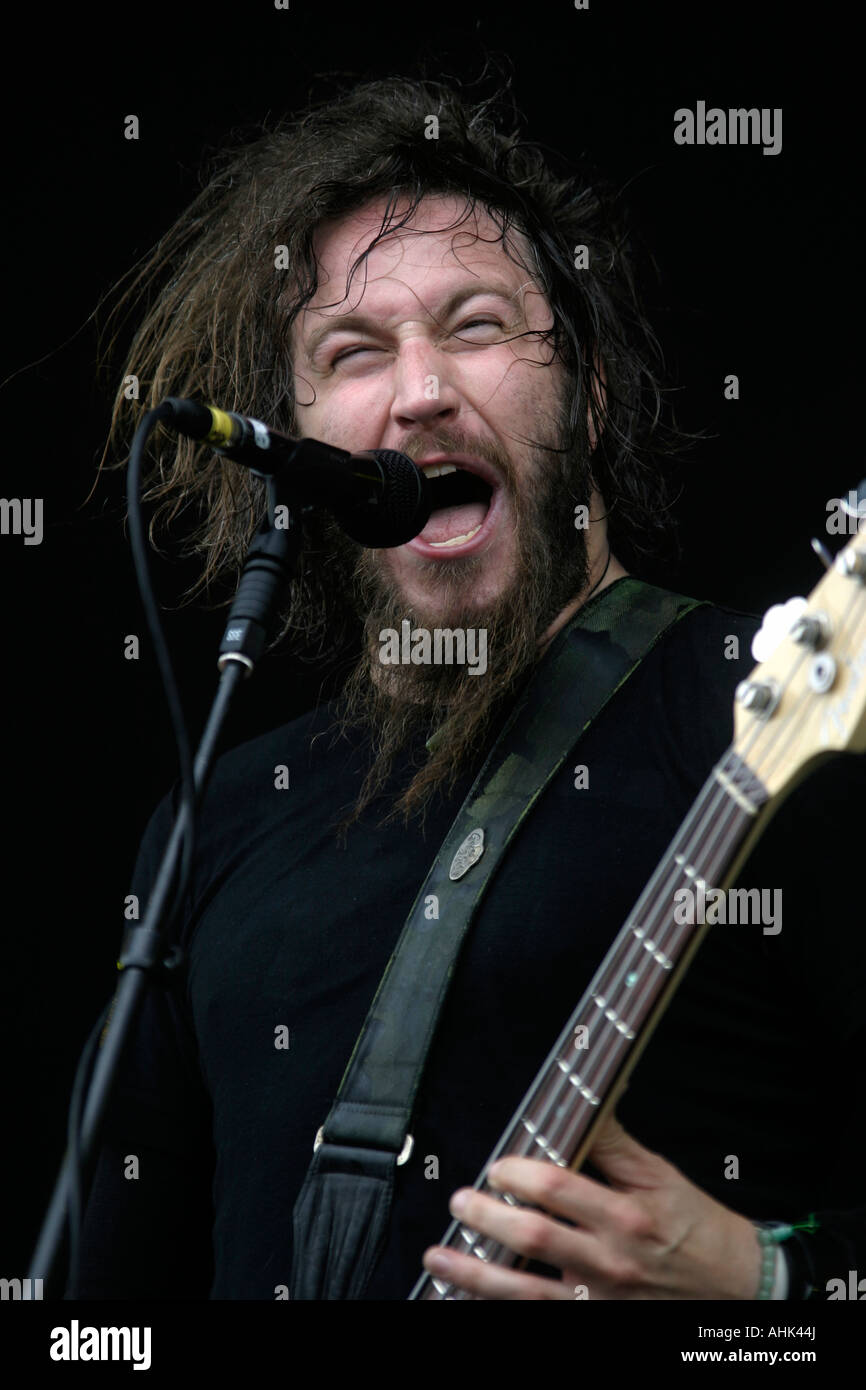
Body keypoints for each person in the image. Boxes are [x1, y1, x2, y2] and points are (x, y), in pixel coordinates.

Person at [73, 74, 865, 1301]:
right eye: (352, 351)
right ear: (302, 446)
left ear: (588, 392)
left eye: (478, 326)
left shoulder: (775, 710)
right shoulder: (218, 813)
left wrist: (758, 1281)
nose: (419, 389)